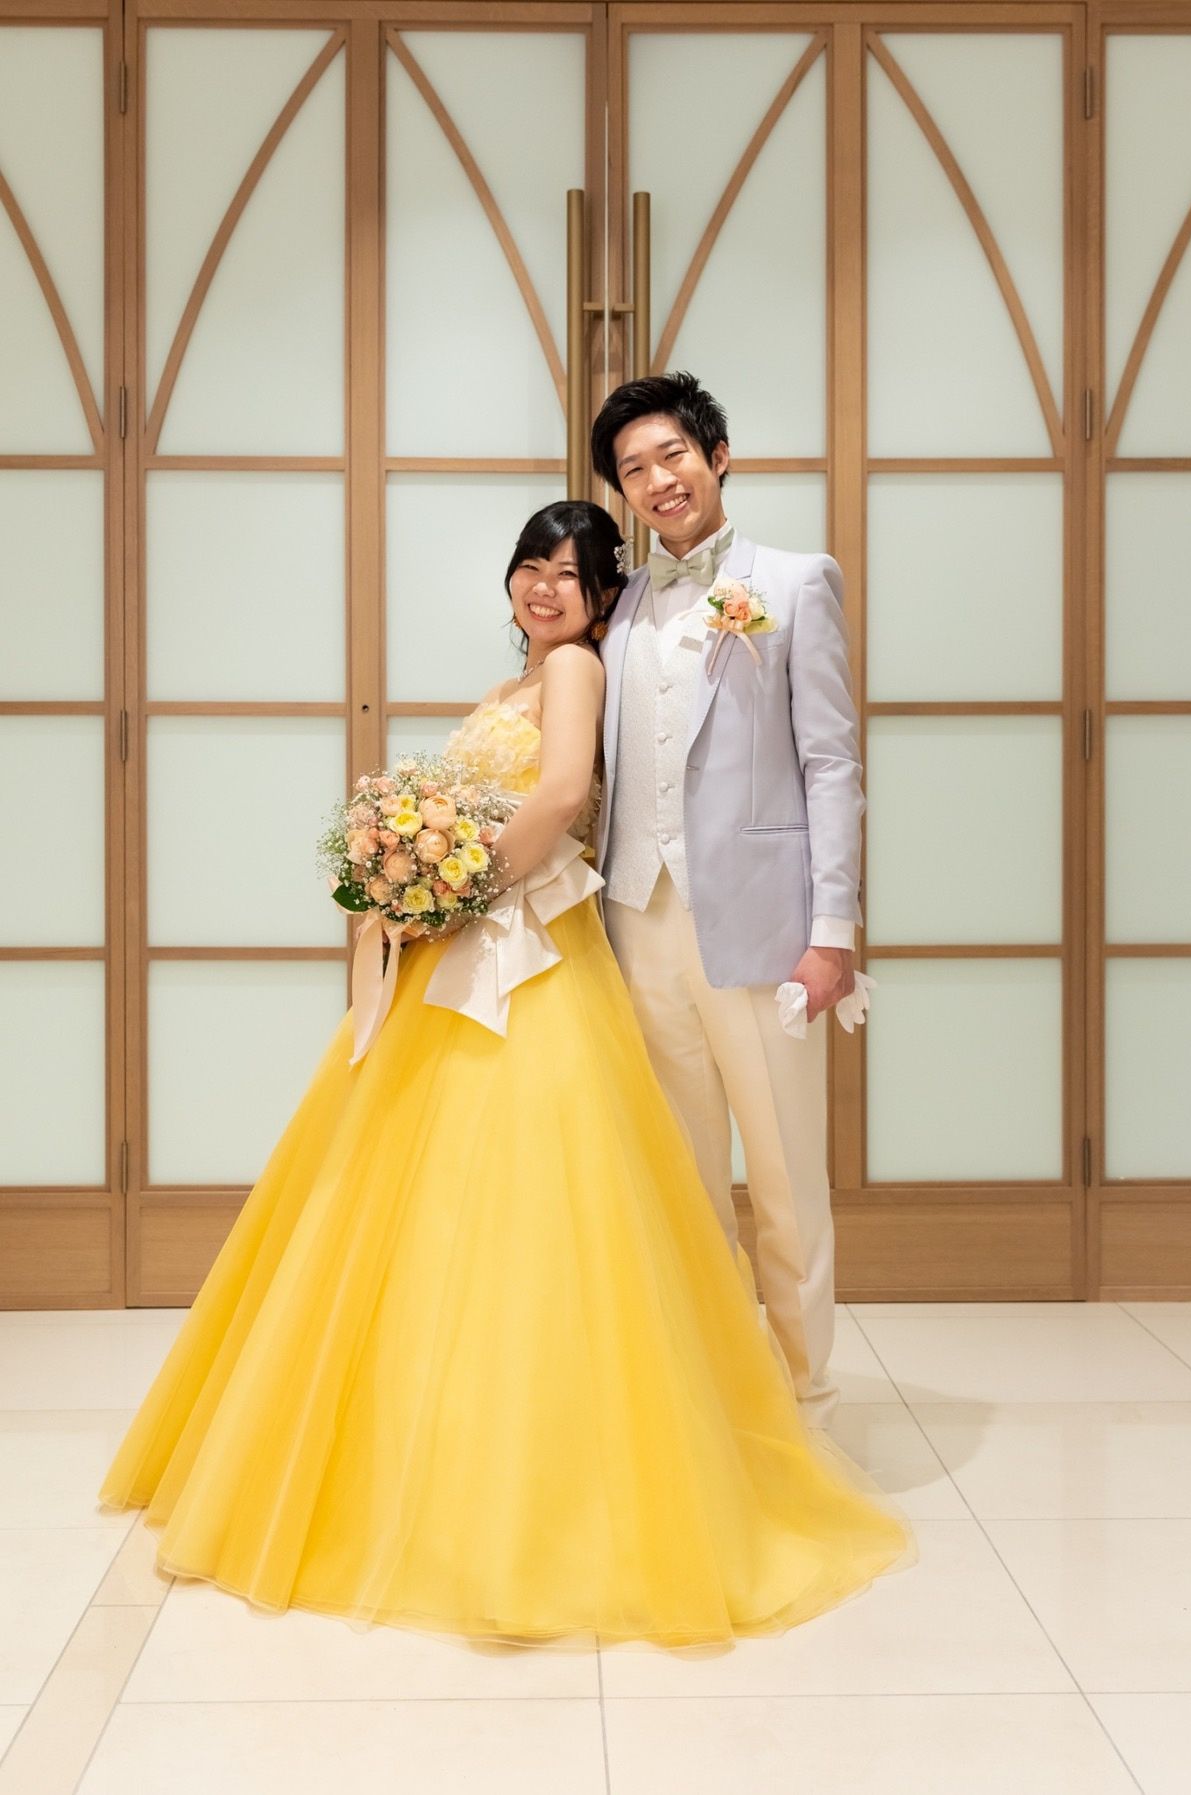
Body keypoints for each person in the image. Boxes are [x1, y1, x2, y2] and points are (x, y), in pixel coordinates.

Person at [97, 500, 913, 1647]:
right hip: (477, 945)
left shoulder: (575, 669)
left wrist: (452, 886)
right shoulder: (512, 683)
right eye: (532, 565)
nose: (544, 586)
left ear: (601, 597)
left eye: (570, 574)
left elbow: (563, 795)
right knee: (445, 1204)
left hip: (531, 951)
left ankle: (623, 1449)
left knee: (542, 1206)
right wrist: (412, 874)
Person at [592, 372, 862, 1429]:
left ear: (716, 456)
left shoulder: (793, 582)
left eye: (671, 455)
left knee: (787, 1178)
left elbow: (830, 763)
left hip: (763, 928)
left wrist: (831, 931)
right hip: (637, 921)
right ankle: (718, 1407)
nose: (657, 480)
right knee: (684, 1178)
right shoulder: (619, 607)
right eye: (633, 469)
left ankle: (805, 1401)